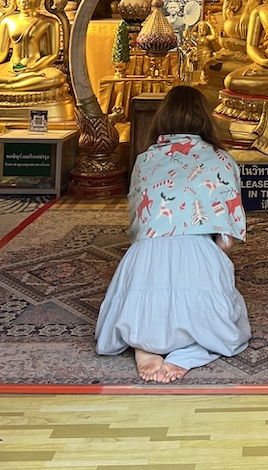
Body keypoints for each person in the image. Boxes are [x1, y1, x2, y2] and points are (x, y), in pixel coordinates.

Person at [95, 85, 251, 384]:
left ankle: (145, 345)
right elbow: (227, 238)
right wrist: (207, 263)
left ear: (162, 119)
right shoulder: (222, 160)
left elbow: (138, 223)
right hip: (199, 250)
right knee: (225, 327)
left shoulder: (144, 159)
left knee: (149, 298)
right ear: (206, 119)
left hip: (145, 253)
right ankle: (187, 354)